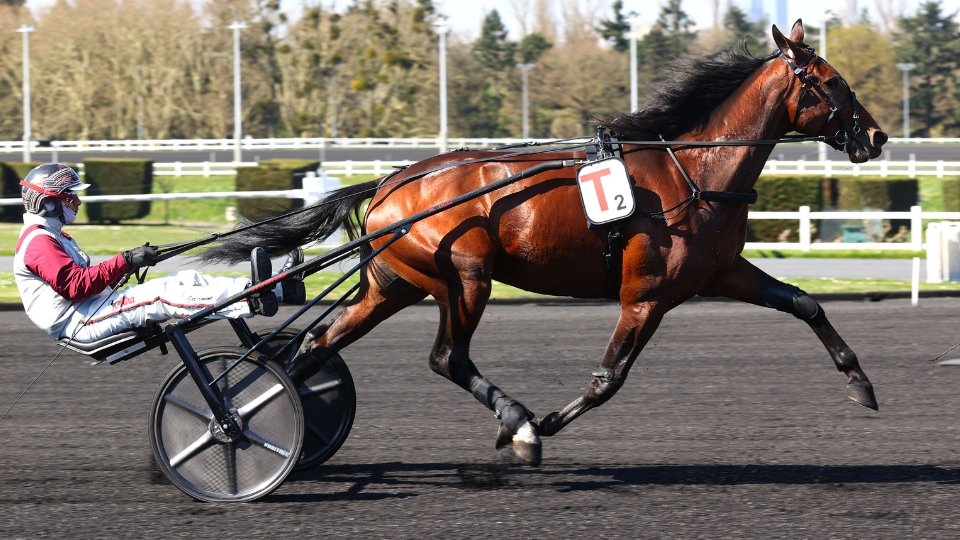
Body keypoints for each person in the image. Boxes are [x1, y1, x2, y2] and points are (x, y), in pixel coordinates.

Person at [14, 163, 306, 343]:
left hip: (90, 308)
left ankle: (280, 289)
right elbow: (75, 286)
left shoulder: (52, 235)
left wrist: (128, 264)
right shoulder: (39, 242)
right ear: (47, 203)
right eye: (70, 196)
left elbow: (84, 282)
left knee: (184, 278)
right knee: (160, 294)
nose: (77, 201)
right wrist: (126, 260)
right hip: (77, 322)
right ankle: (251, 299)